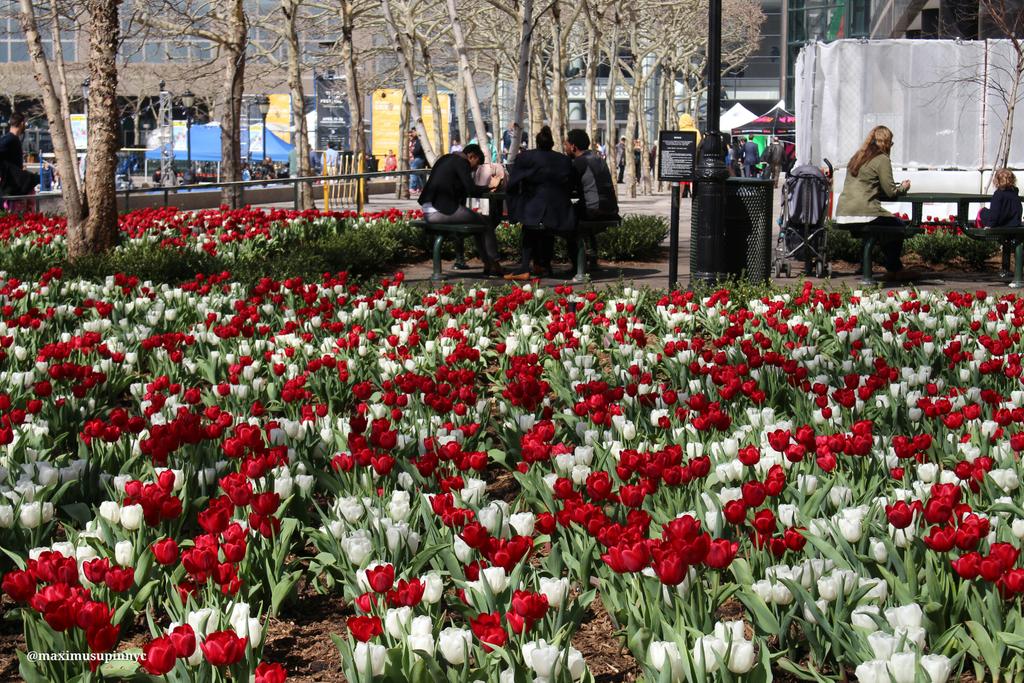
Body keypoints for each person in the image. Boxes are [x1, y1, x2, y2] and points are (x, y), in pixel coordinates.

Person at [835, 125, 913, 279]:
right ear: (886, 142)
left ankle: (889, 268)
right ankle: (894, 269)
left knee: (883, 227)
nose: (891, 146)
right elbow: (891, 192)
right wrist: (903, 187)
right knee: (898, 226)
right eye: (891, 143)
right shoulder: (882, 159)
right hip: (864, 212)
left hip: (844, 212)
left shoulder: (858, 156)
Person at [418, 143, 504, 276]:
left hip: (429, 209)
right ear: (471, 156)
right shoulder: (462, 163)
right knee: (486, 222)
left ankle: (488, 264)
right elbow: (471, 189)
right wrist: (490, 186)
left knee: (478, 226)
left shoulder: (446, 158)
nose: (473, 170)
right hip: (440, 211)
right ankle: (494, 263)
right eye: (475, 166)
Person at [504, 125, 576, 280]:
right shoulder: (564, 160)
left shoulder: (525, 157)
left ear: (537, 142)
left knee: (529, 228)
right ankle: (544, 265)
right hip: (558, 210)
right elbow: (570, 185)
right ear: (552, 143)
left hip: (533, 207)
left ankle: (525, 266)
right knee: (547, 229)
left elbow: (513, 183)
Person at [564, 129, 619, 272]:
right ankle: (593, 259)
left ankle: (578, 266)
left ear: (573, 146)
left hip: (594, 209)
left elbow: (568, 187)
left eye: (566, 144)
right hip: (611, 209)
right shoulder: (598, 158)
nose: (565, 147)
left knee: (565, 220)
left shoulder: (579, 162)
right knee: (580, 215)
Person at [0, 112, 38, 198]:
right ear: (21, 123)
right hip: (12, 186)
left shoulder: (12, 139)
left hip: (13, 185)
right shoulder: (10, 139)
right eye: (25, 123)